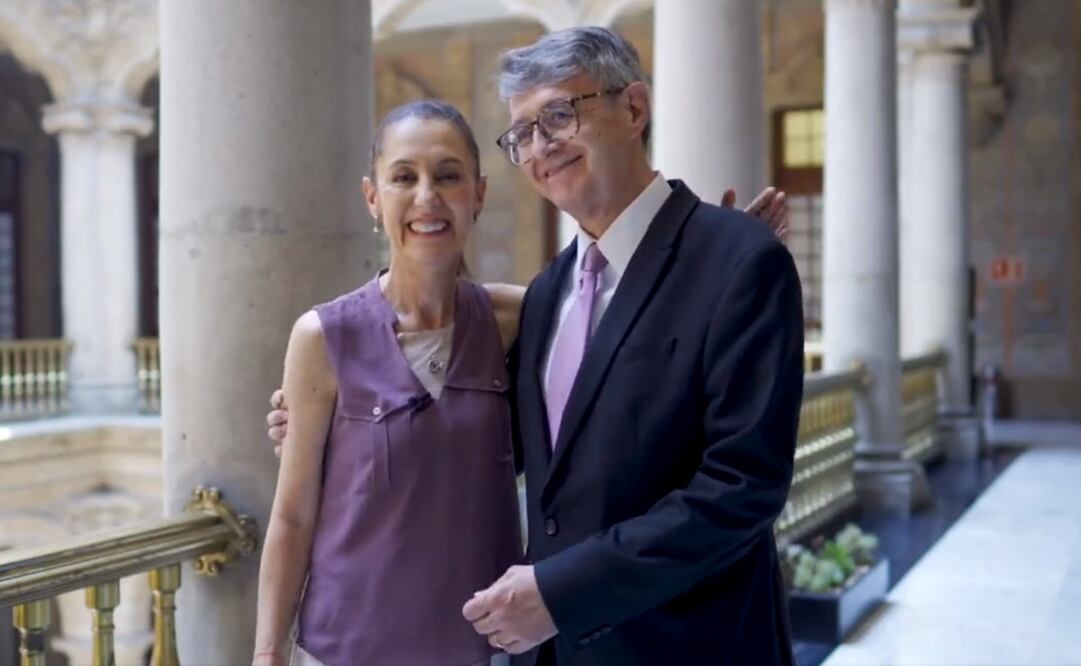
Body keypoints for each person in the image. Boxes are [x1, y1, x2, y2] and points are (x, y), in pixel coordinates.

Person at [255, 97, 788, 665]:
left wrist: (715, 257)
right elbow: (291, 516)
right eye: (403, 177)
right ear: (372, 197)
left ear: (478, 194)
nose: (427, 198)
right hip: (346, 647)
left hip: (482, 647)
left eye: (449, 176)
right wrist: (267, 654)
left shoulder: (520, 316)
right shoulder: (322, 337)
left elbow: (621, 317)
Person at [458, 27, 804, 665]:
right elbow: (490, 442)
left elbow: (742, 486)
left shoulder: (741, 260)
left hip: (692, 644)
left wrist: (562, 592)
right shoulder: (545, 295)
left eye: (559, 116)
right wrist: (339, 415)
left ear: (635, 108)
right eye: (523, 134)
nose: (541, 147)